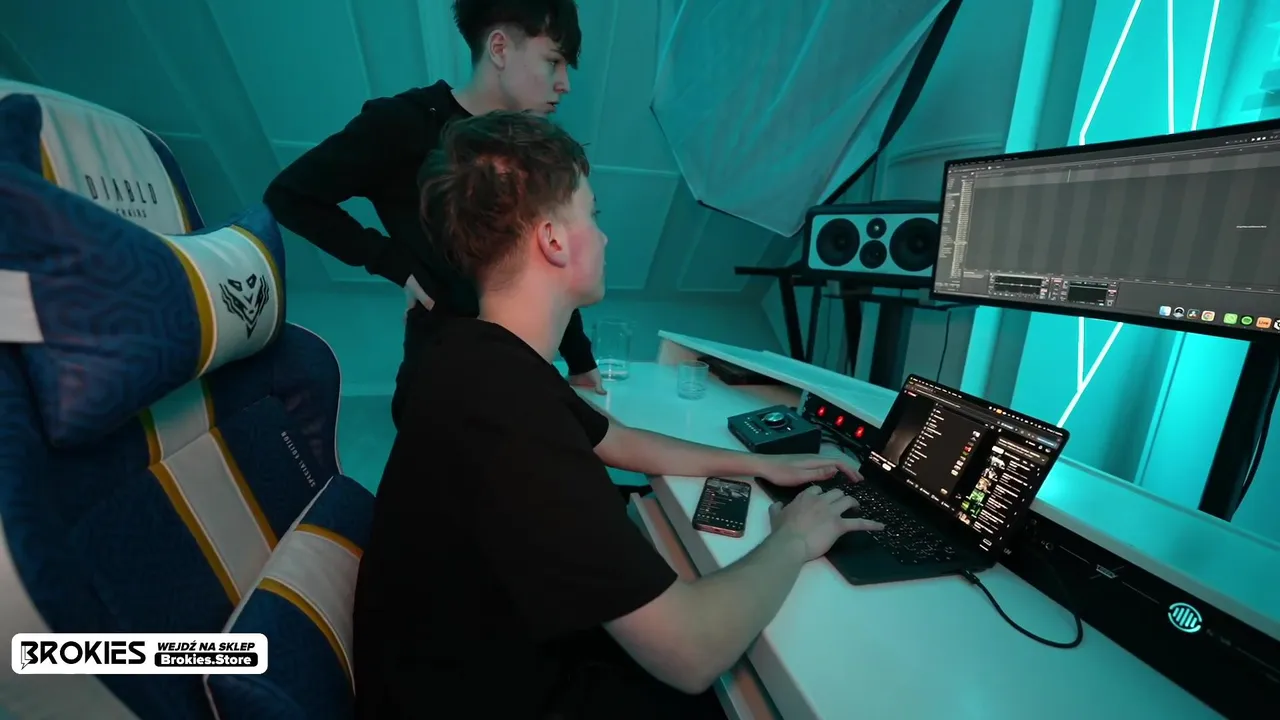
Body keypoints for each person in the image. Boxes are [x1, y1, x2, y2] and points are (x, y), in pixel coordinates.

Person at [352, 112, 886, 719]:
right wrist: (794, 537)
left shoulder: (477, 355)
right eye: (593, 215)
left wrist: (762, 465)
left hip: (468, 665)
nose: (604, 238)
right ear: (553, 240)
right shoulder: (503, 404)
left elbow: (617, 440)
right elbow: (691, 651)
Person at [263, 0, 604, 431]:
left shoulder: (532, 143)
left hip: (522, 369)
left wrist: (580, 360)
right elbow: (290, 196)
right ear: (500, 48)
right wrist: (394, 263)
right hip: (442, 376)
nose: (565, 84)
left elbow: (548, 259)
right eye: (553, 62)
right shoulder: (403, 123)